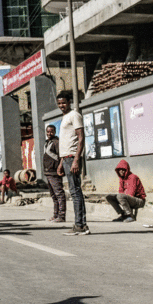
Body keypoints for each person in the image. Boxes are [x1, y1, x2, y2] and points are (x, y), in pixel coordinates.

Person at [56, 91, 89, 236]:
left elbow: (81, 138)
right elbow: (66, 141)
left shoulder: (75, 115)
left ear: (69, 102)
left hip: (72, 158)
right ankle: (79, 224)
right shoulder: (65, 117)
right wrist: (61, 162)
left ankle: (80, 225)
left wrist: (76, 159)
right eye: (59, 103)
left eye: (63, 102)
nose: (61, 106)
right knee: (74, 191)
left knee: (76, 192)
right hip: (66, 158)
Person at [43, 124, 65, 223]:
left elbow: (62, 157)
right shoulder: (47, 143)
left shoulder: (56, 142)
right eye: (48, 132)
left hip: (54, 172)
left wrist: (60, 167)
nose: (49, 133)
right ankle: (55, 215)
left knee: (59, 194)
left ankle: (62, 216)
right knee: (53, 195)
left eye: (51, 131)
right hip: (48, 172)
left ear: (55, 132)